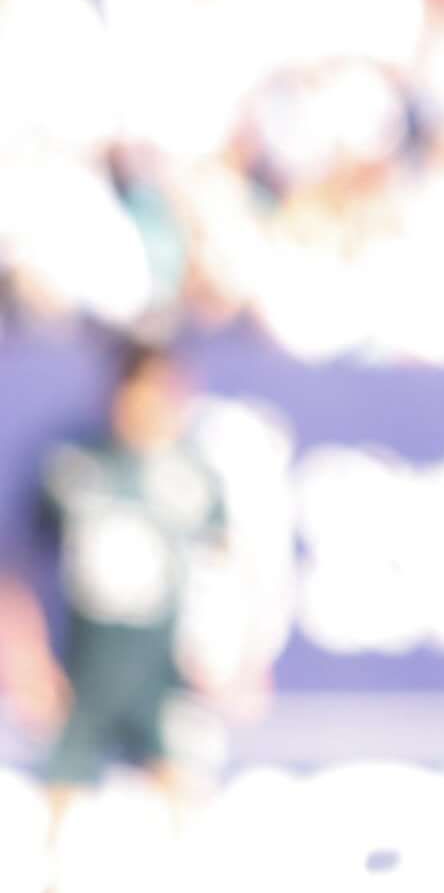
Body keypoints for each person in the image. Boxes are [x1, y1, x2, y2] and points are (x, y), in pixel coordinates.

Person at [3, 344, 237, 826]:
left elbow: (226, 567)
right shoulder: (74, 468)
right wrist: (28, 661)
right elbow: (20, 565)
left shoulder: (191, 477)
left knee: (184, 796)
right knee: (59, 804)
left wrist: (229, 655)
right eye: (140, 392)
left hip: (160, 673)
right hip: (85, 669)